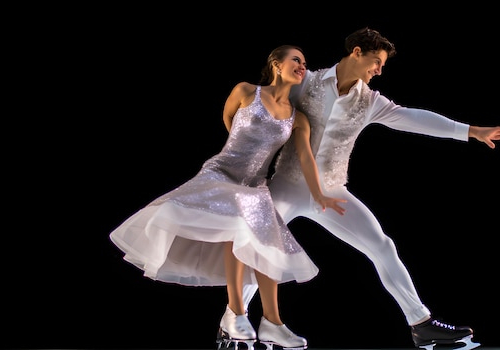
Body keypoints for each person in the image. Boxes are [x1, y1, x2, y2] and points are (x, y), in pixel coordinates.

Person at [221, 28, 500, 350]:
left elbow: (412, 118)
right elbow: (261, 107)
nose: (379, 70)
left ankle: (422, 325)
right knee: (254, 245)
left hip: (331, 191)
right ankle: (233, 321)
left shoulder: (371, 101)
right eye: (376, 61)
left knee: (382, 245)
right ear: (356, 52)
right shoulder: (306, 81)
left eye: (382, 65)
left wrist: (470, 131)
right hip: (286, 185)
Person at [109, 45, 347, 350]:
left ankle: (272, 323)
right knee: (236, 218)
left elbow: (305, 159)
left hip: (254, 185)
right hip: (221, 173)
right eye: (296, 60)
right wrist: (238, 154)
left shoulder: (296, 118)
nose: (302, 66)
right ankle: (236, 313)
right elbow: (229, 117)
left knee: (267, 239)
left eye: (304, 63)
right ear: (276, 64)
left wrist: (319, 195)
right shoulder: (246, 90)